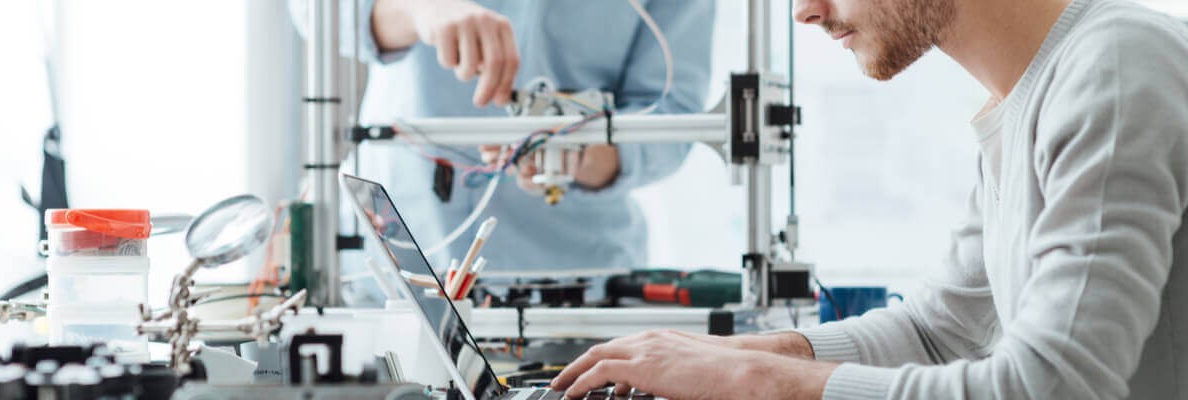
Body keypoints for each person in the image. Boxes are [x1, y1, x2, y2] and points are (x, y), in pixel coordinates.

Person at [551, 0, 1188, 398]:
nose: (805, 10)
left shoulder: (1116, 66)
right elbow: (941, 331)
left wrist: (758, 383)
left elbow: (1053, 388)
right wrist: (731, 354)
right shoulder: (1025, 98)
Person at [322, 0, 713, 285]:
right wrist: (417, 11)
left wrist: (573, 156)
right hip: (390, 258)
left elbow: (669, 113)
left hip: (569, 281)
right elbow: (317, 13)